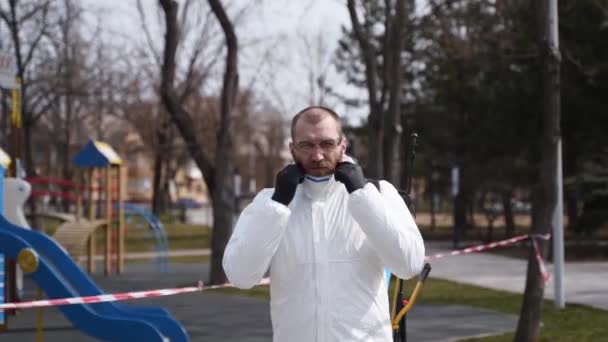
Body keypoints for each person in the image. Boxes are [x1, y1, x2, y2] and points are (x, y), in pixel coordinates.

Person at [223, 106, 425, 342]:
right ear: (291, 149)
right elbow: (240, 275)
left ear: (343, 145)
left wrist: (362, 196)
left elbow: (409, 265)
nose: (317, 156)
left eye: (327, 144)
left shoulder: (379, 194)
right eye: (306, 145)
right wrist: (277, 206)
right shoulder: (268, 203)